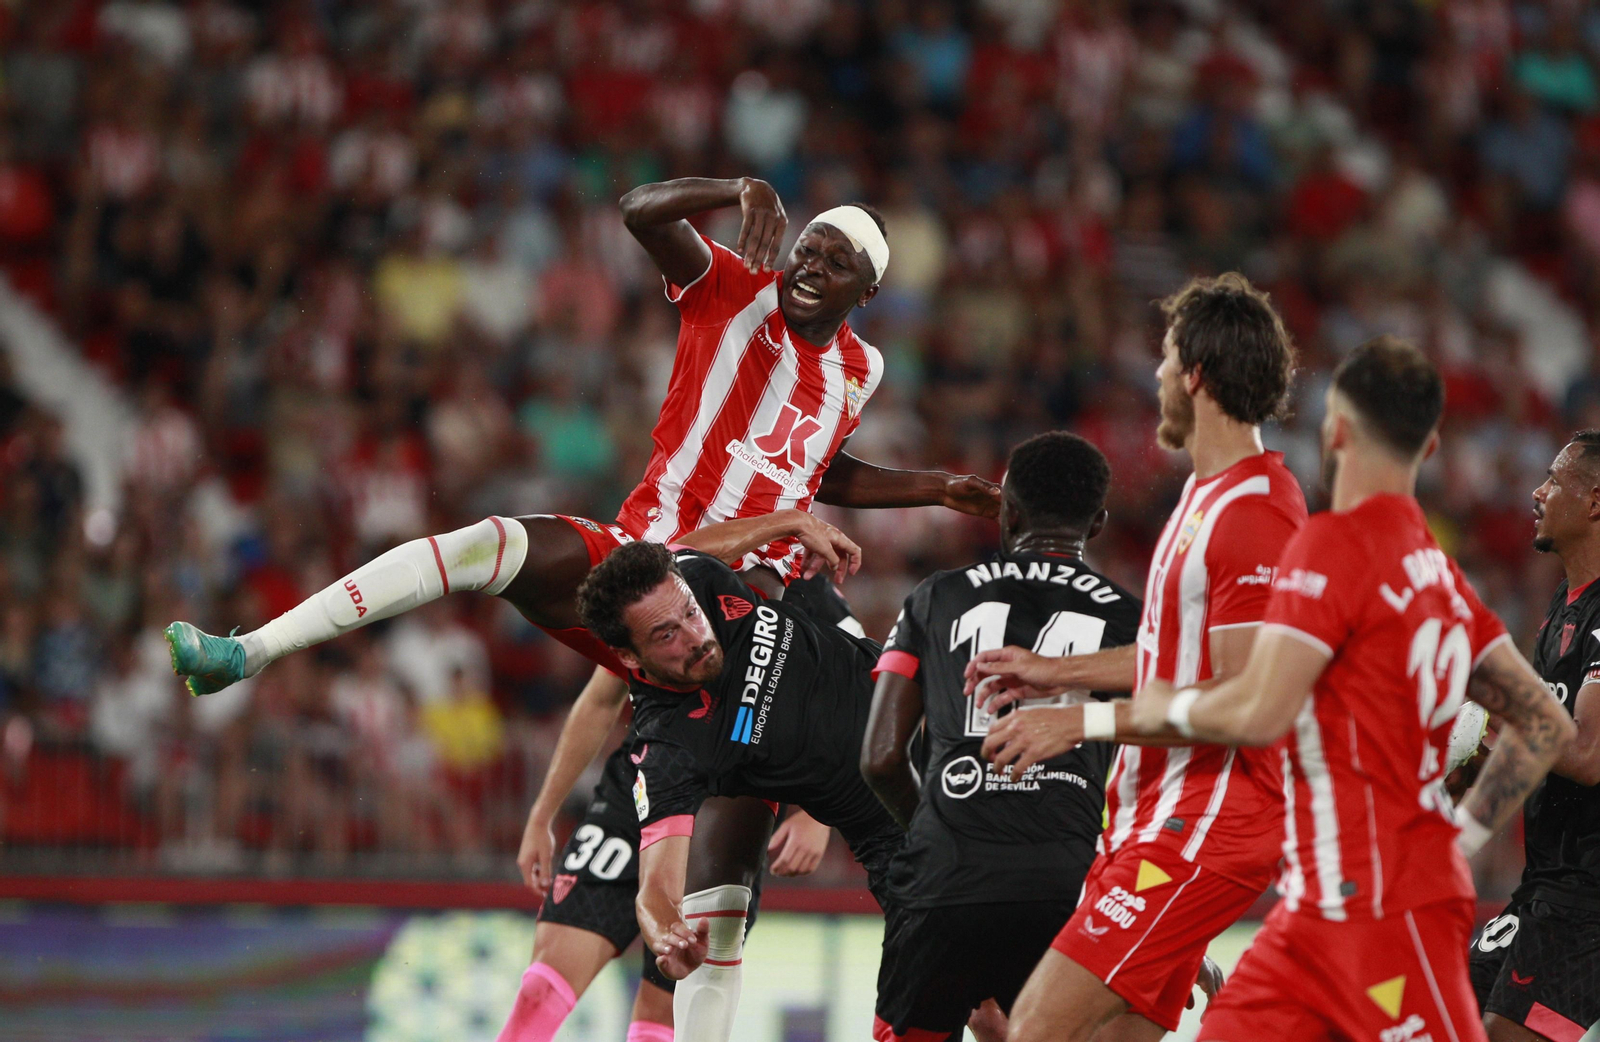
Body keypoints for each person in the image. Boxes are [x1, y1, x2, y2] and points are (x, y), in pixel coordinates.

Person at [165, 173, 996, 690]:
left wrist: (939, 488)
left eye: (836, 263)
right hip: (641, 552)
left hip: (738, 592)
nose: (811, 267)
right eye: (808, 249)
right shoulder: (734, 287)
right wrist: (736, 188)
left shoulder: (860, 370)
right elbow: (639, 211)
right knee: (488, 545)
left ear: (867, 293)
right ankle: (249, 653)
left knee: (726, 807)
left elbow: (816, 471)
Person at [1129, 336, 1574, 1042]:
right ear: (1431, 447)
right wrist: (1462, 836)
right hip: (1316, 908)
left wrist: (1124, 714)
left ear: (1334, 431)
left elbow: (1257, 711)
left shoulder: (1330, 544)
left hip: (1386, 903)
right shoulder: (1442, 576)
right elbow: (1545, 722)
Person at [963, 273, 1306, 1042]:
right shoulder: (1208, 497)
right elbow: (1173, 658)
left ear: (1196, 376)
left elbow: (1247, 701)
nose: (1156, 378)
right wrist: (1053, 672)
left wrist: (1079, 722)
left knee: (1033, 1028)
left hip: (1205, 826)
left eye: (1166, 361)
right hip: (1157, 816)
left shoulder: (1256, 515)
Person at [860, 432, 1143, 1042]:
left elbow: (880, 758)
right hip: (1063, 883)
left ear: (1008, 512)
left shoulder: (935, 596)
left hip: (942, 878)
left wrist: (938, 827)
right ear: (1097, 523)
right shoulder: (1132, 621)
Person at [574, 538, 907, 1042]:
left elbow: (694, 542)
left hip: (930, 713)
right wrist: (667, 936)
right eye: (667, 635)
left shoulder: (696, 577)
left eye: (689, 613)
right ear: (627, 656)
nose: (696, 636)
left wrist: (790, 521)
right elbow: (655, 890)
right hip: (894, 835)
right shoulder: (669, 746)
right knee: (979, 1010)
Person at [501, 571, 857, 1042]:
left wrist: (814, 814)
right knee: (542, 990)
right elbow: (600, 700)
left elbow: (851, 693)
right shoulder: (671, 587)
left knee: (669, 1000)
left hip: (726, 819)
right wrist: (542, 814)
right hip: (642, 788)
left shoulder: (807, 589)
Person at [1468, 429, 1600, 1042]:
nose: (1538, 492)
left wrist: (1484, 692)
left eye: (1554, 479)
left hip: (1588, 899)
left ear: (1594, 501)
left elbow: (1587, 753)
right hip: (1546, 886)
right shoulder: (1561, 610)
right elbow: (1536, 745)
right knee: (1444, 1009)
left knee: (1501, 1032)